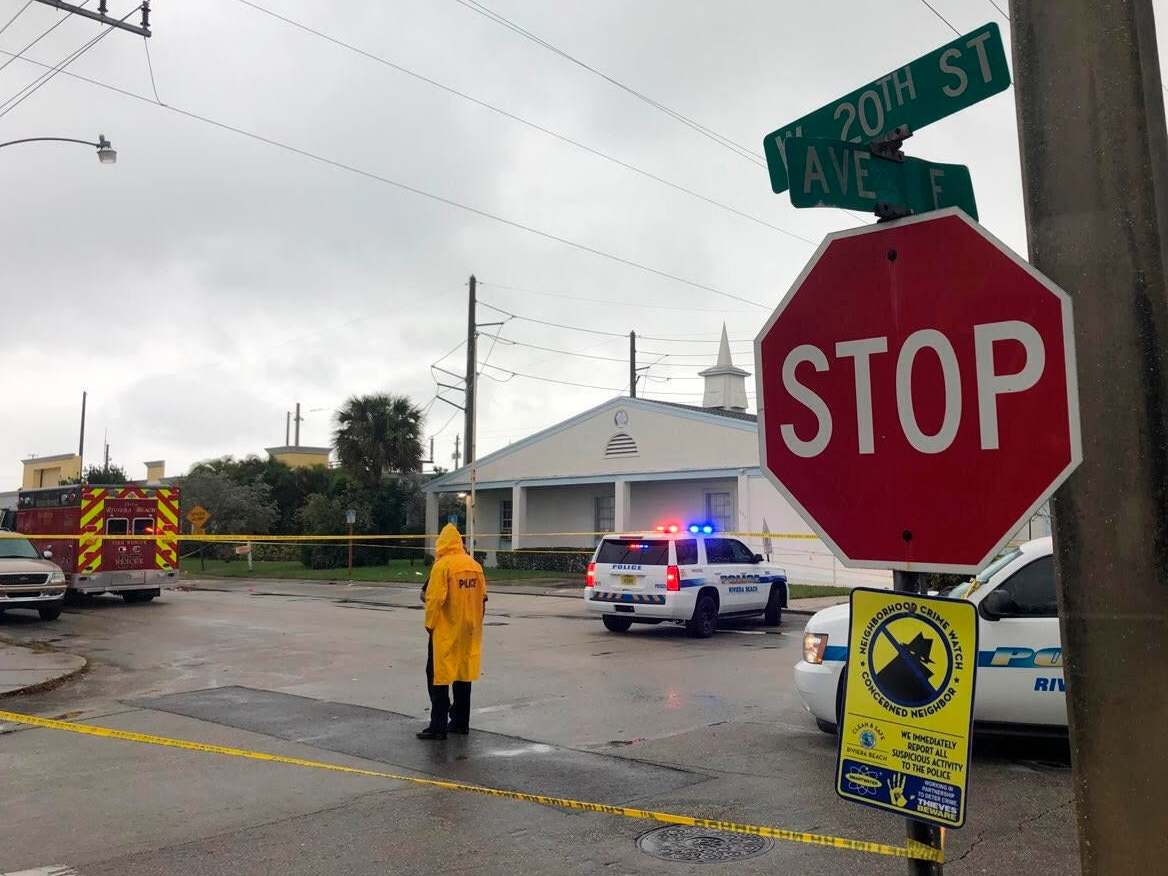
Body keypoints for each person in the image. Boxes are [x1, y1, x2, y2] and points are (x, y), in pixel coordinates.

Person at [418, 523, 487, 741]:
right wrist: (476, 623)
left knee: (438, 675)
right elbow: (483, 599)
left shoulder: (442, 566)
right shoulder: (474, 566)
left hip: (446, 630)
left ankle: (438, 726)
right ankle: (460, 722)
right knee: (463, 674)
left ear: (442, 544)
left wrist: (429, 625)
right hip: (470, 630)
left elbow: (434, 600)